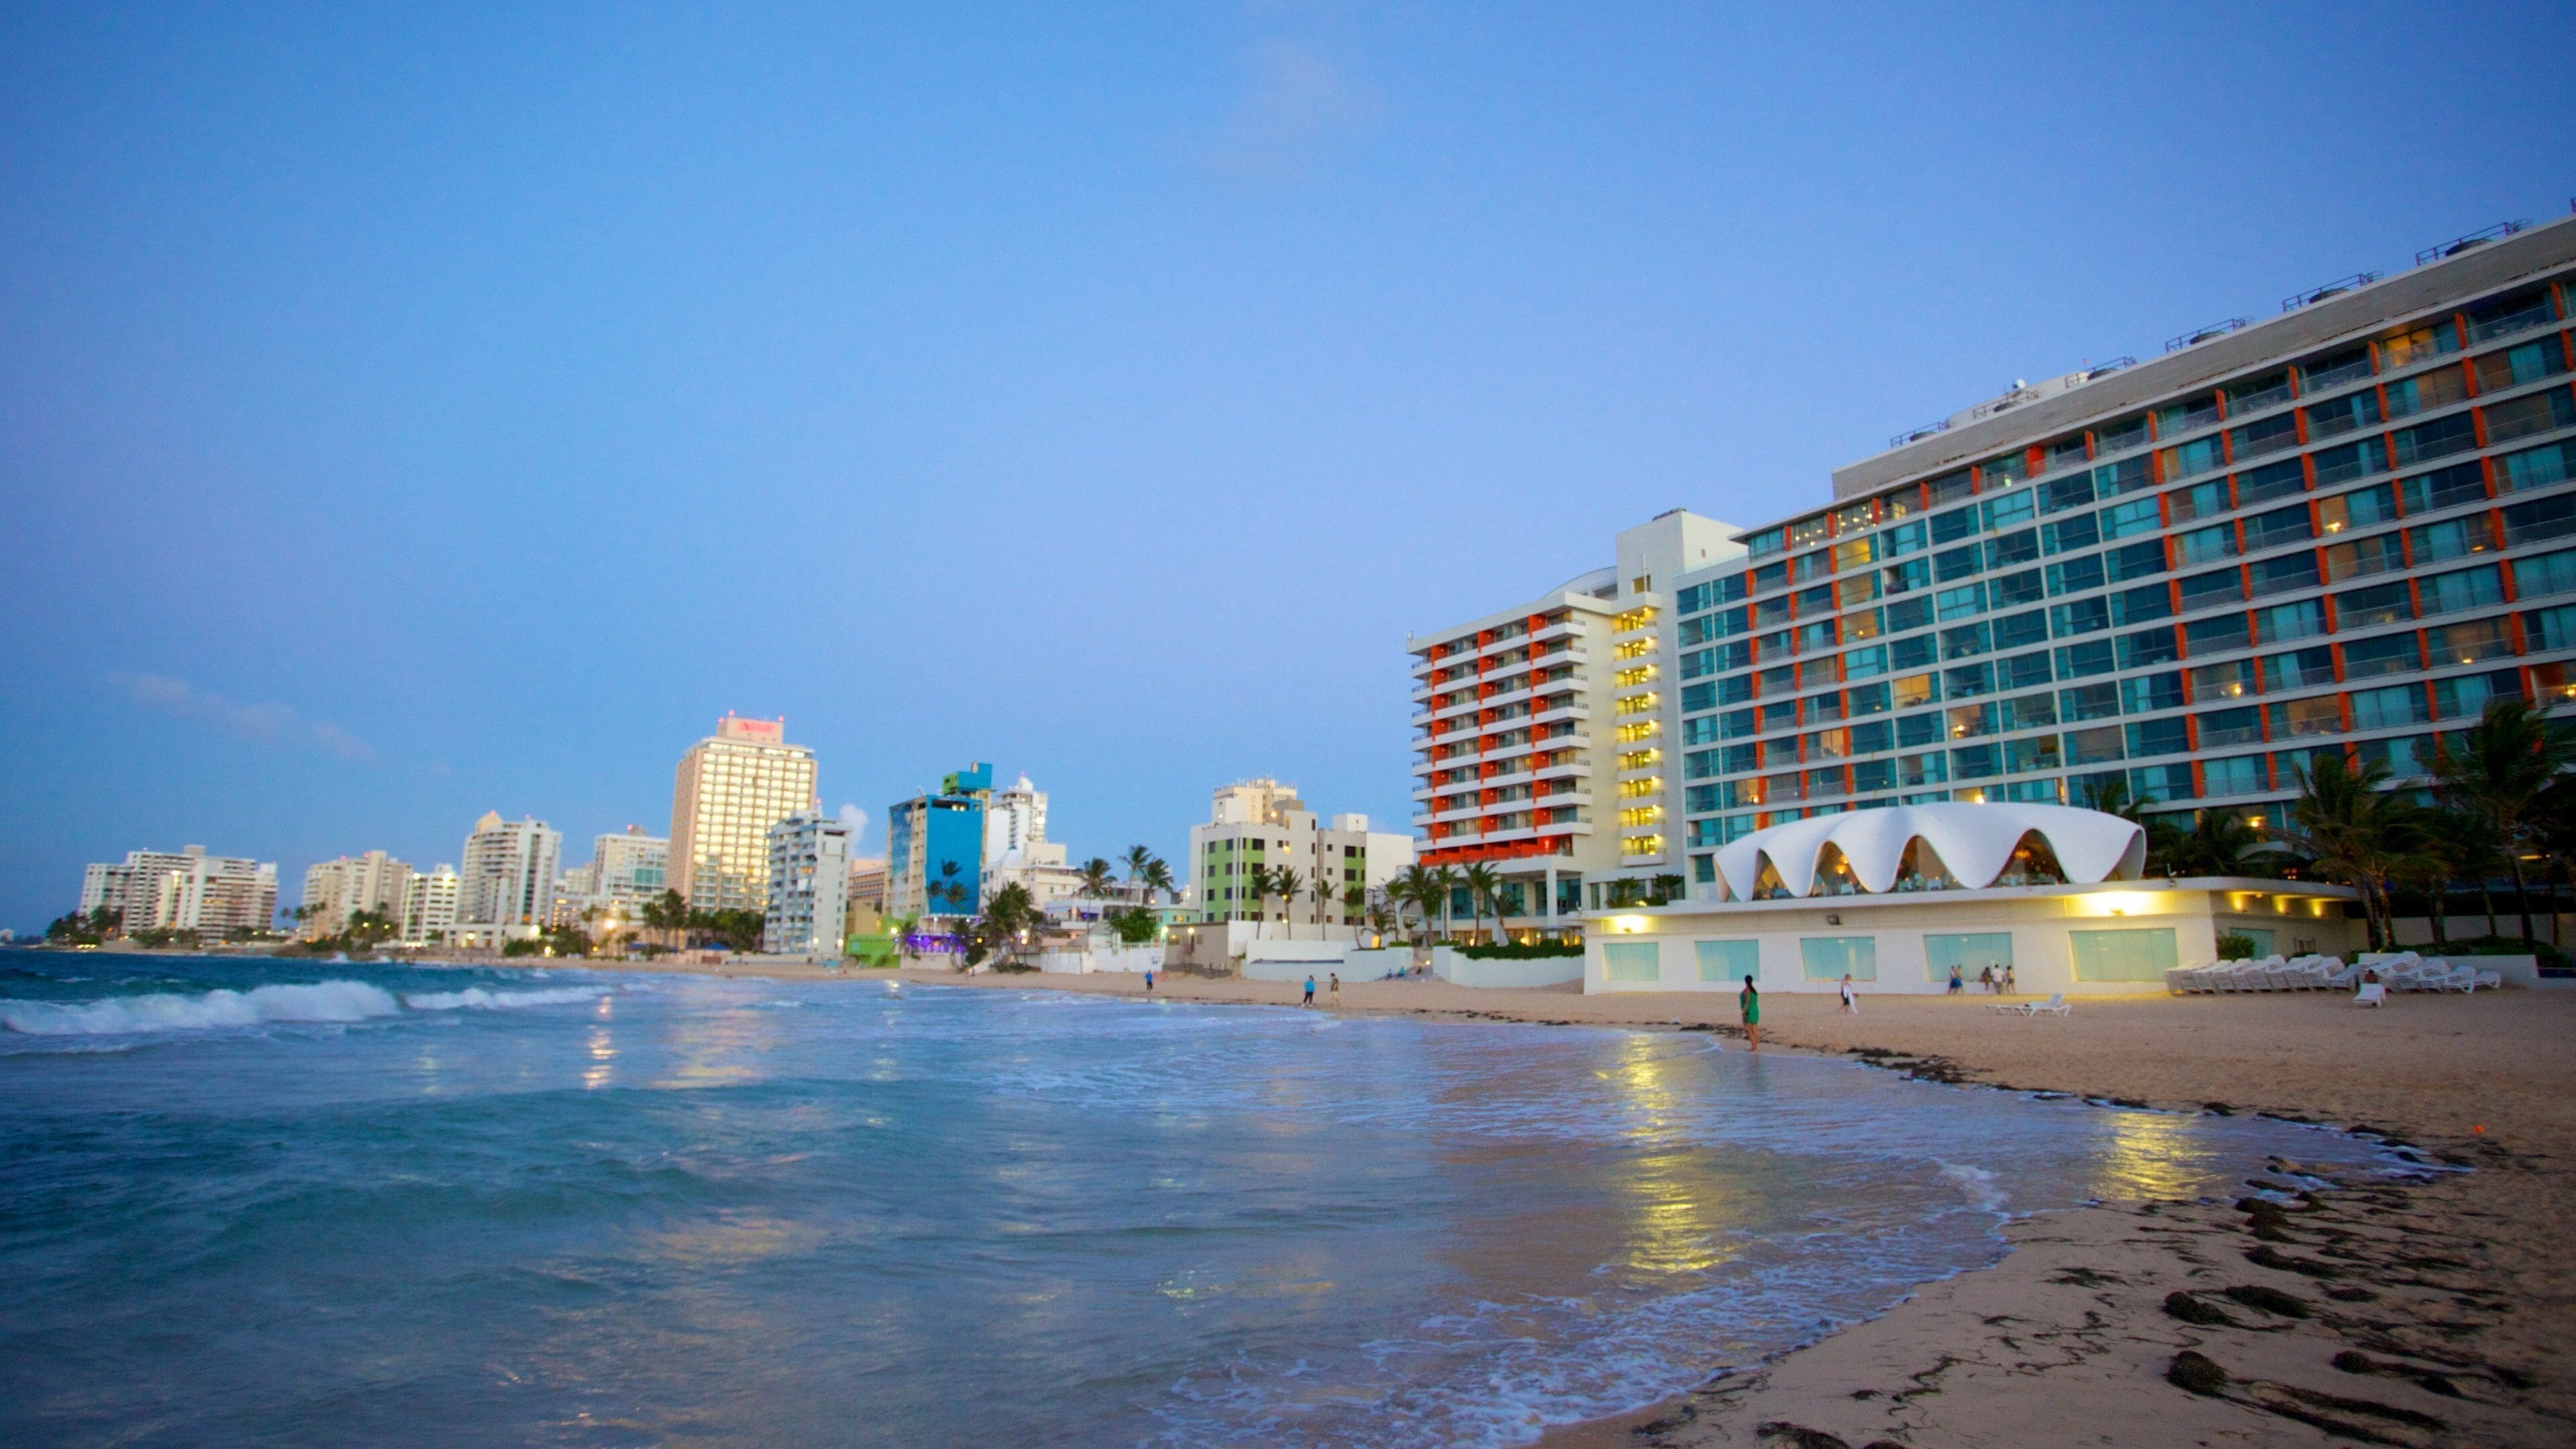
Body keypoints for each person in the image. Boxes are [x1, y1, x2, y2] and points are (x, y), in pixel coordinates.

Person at [1739, 974, 1761, 1051]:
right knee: (1754, 1029)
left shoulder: (1747, 990)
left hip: (1750, 1010)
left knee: (1748, 1029)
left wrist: (1744, 1012)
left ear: (1745, 981)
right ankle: (1755, 1047)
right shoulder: (1753, 990)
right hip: (1755, 1009)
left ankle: (1754, 1047)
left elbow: (1747, 1002)